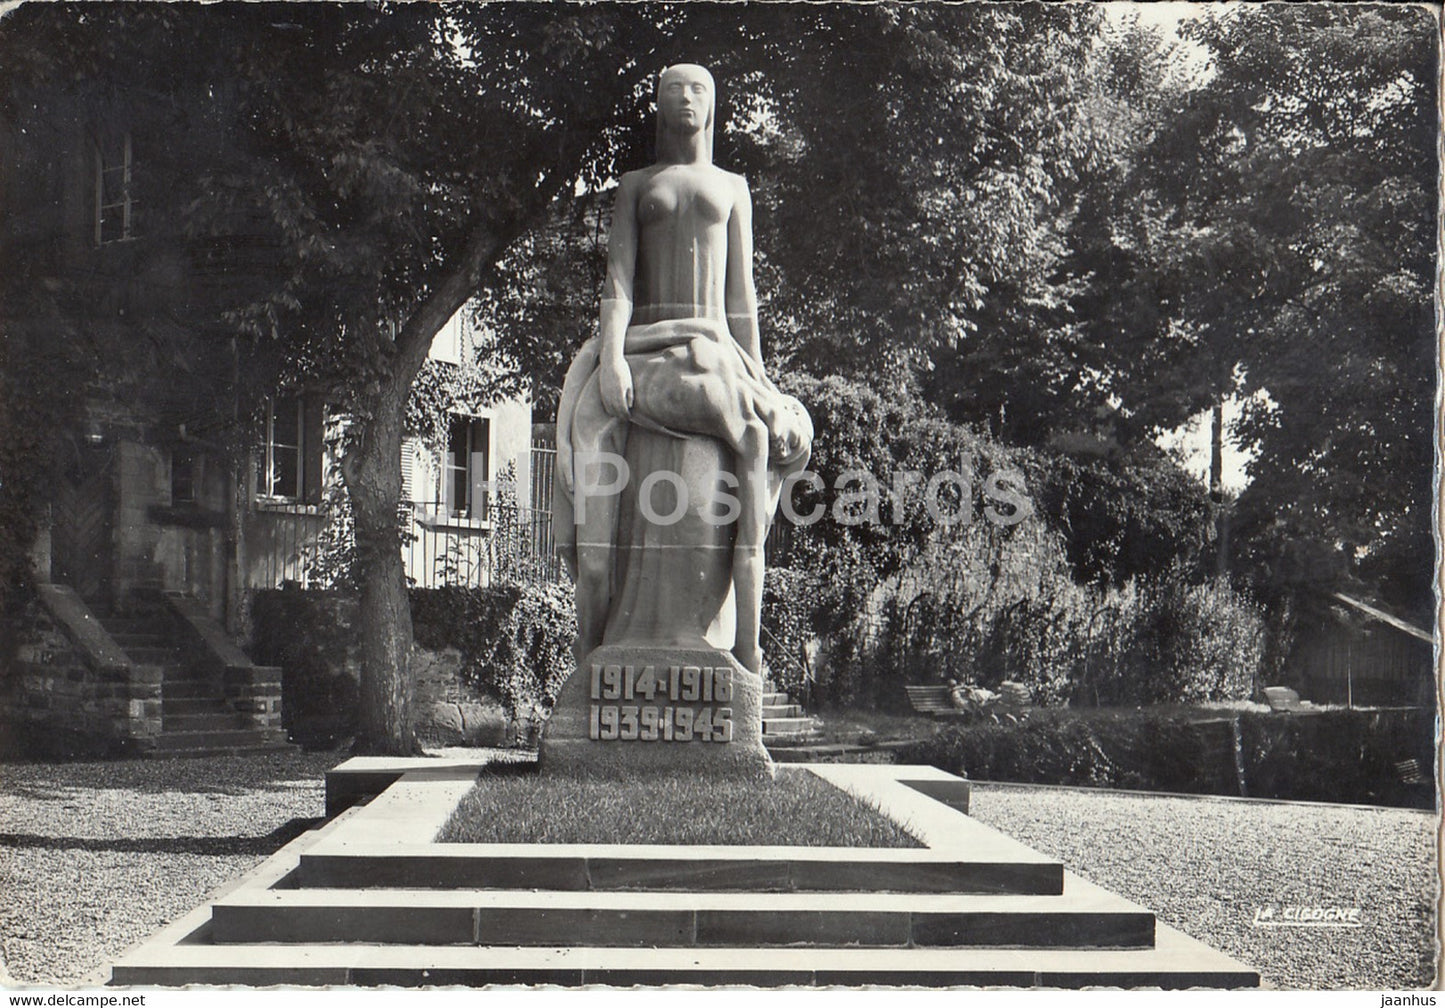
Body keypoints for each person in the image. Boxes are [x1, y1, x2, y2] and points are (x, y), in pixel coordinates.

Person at [553, 63, 811, 675]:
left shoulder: (734, 187)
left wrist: (759, 380)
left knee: (724, 494)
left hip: (713, 357)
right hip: (645, 352)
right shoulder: (635, 184)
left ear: (713, 105)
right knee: (601, 529)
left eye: (698, 90)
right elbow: (617, 281)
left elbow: (742, 298)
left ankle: (733, 650)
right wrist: (611, 360)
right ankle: (595, 655)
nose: (686, 99)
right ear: (659, 104)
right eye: (674, 89)